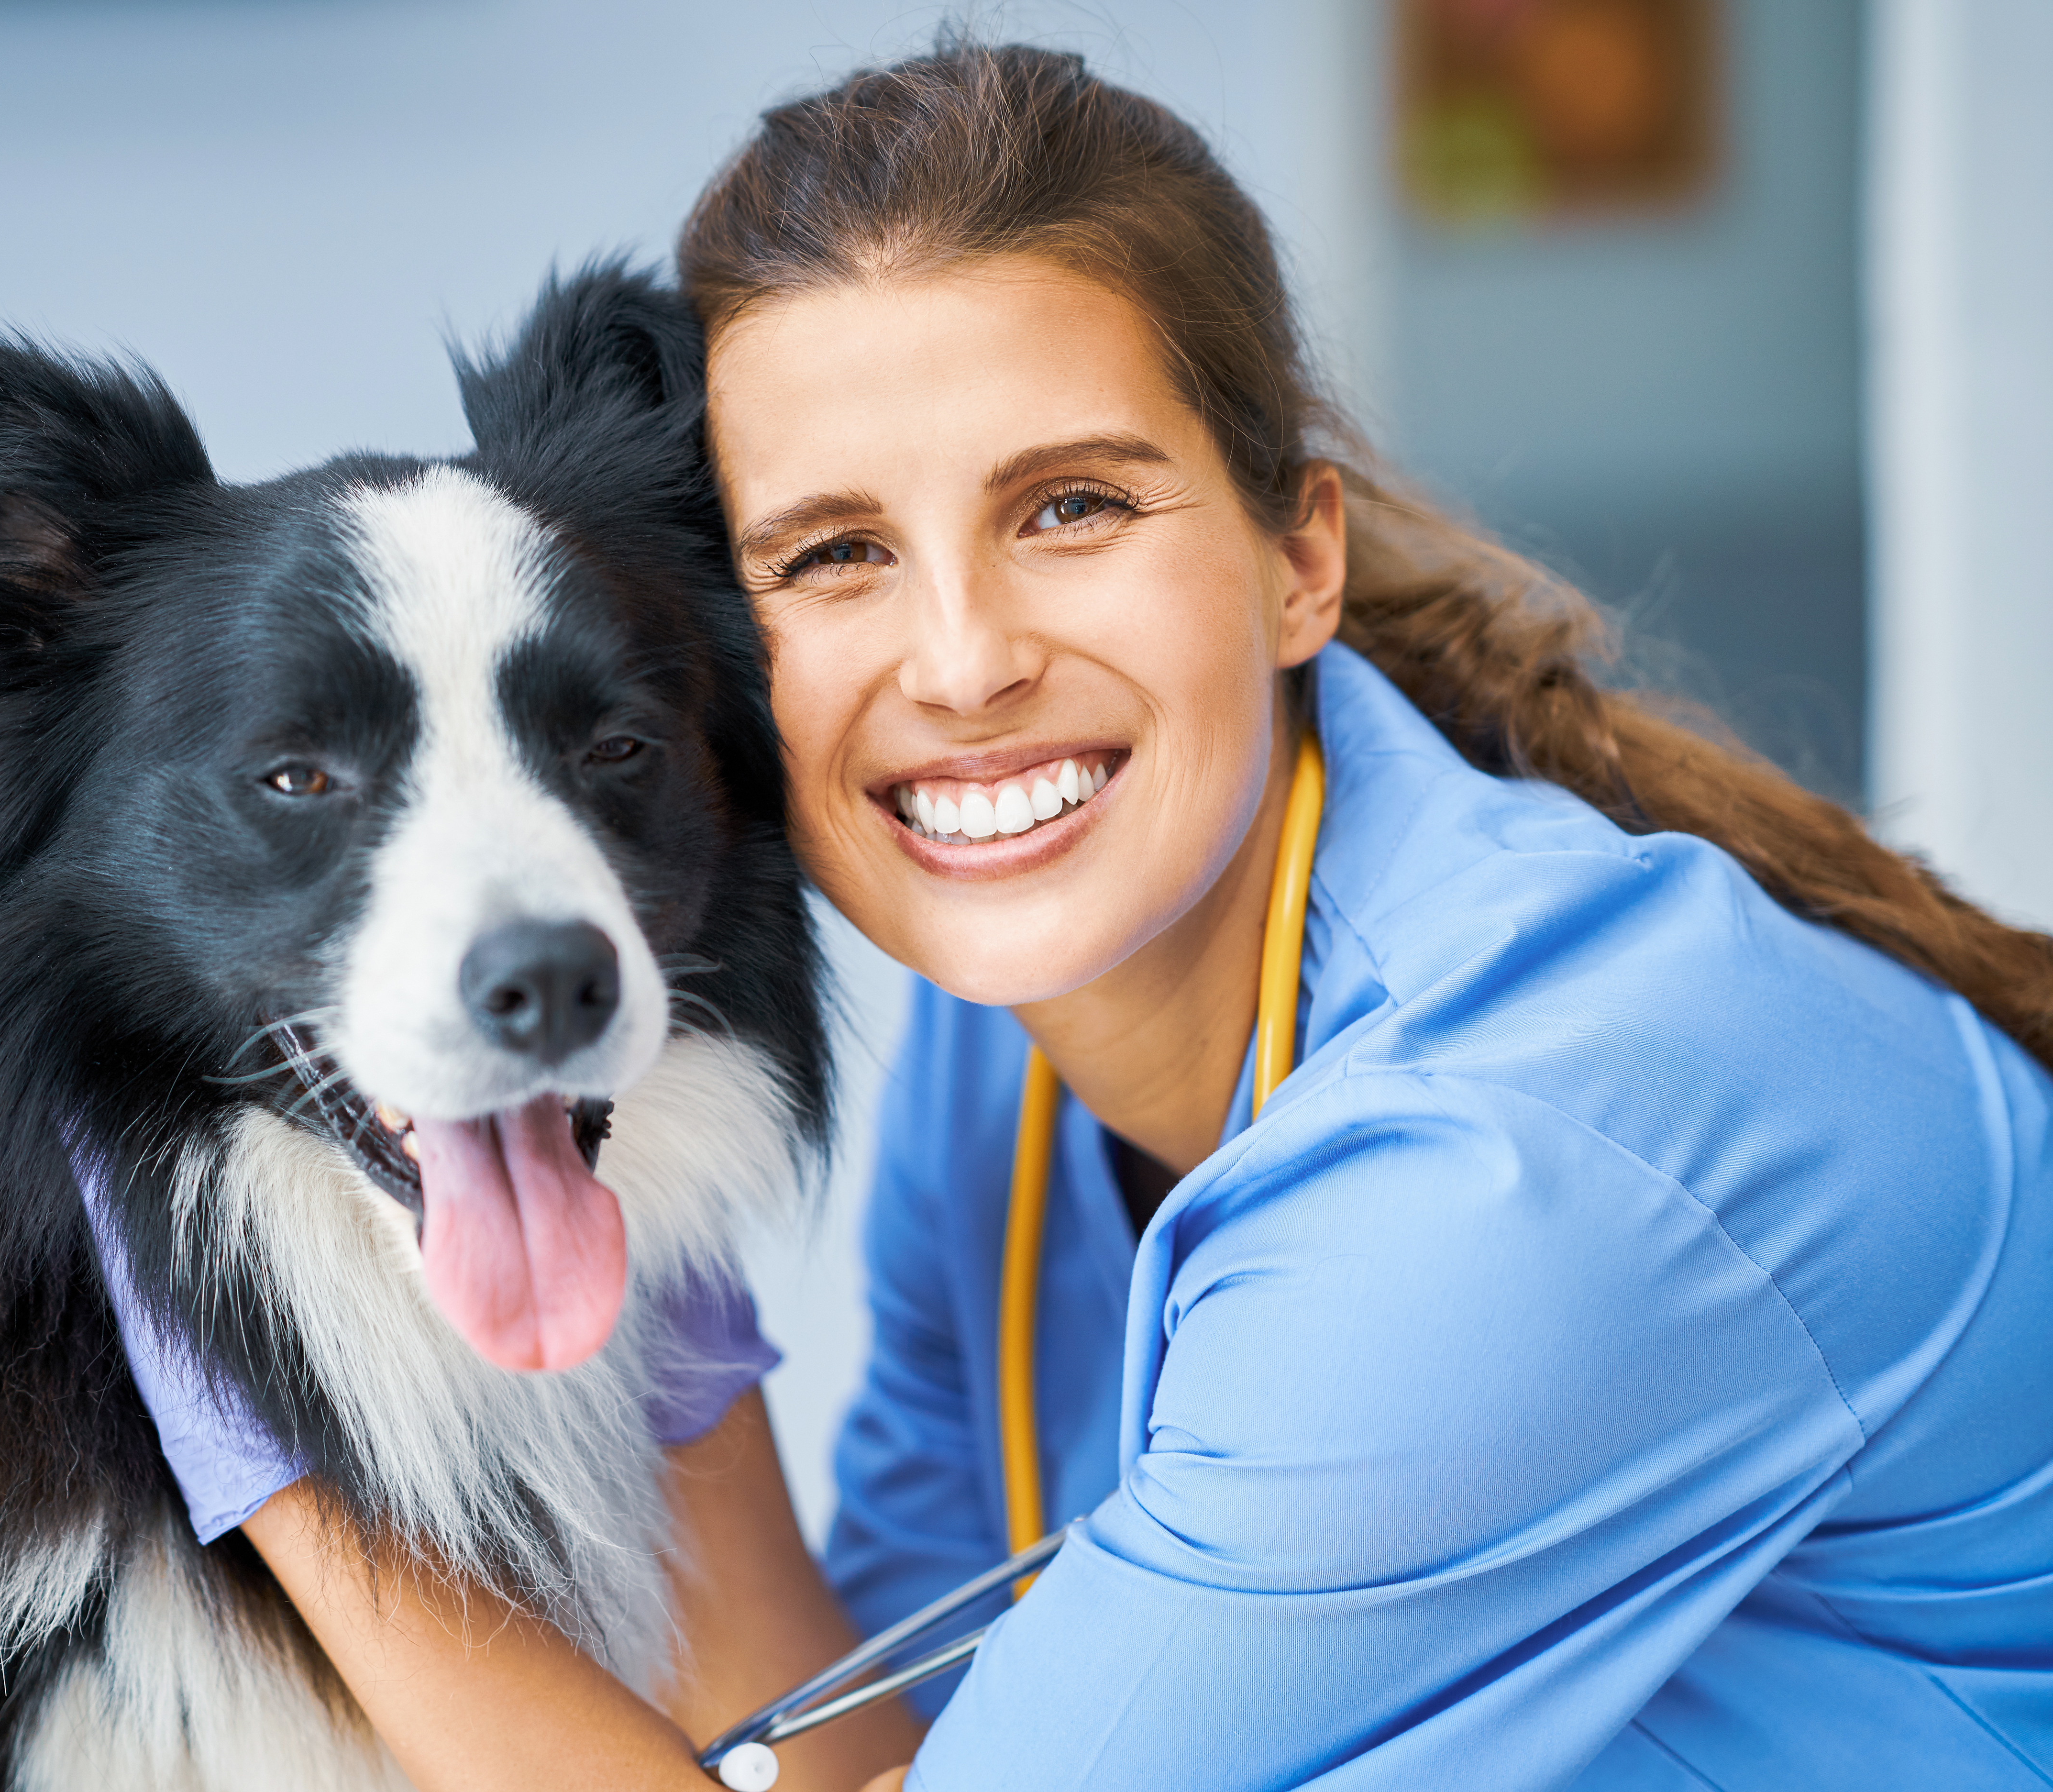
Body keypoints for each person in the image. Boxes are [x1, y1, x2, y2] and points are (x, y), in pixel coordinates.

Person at [249, 42, 2053, 1791]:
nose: (962, 663)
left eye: (1074, 506)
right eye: (835, 553)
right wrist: (664, 1323)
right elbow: (852, 1736)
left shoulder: (1507, 1171)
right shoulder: (1013, 1041)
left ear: (1299, 559)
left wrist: (286, 1500)